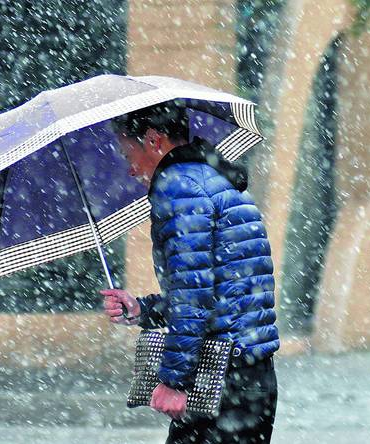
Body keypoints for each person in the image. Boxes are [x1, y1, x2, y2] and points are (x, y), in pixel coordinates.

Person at [101, 103, 280, 443]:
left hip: (221, 379)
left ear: (154, 141)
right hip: (250, 378)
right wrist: (143, 309)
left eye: (128, 155)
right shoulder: (211, 180)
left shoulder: (178, 187)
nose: (130, 170)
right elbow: (220, 290)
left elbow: (193, 293)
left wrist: (174, 381)